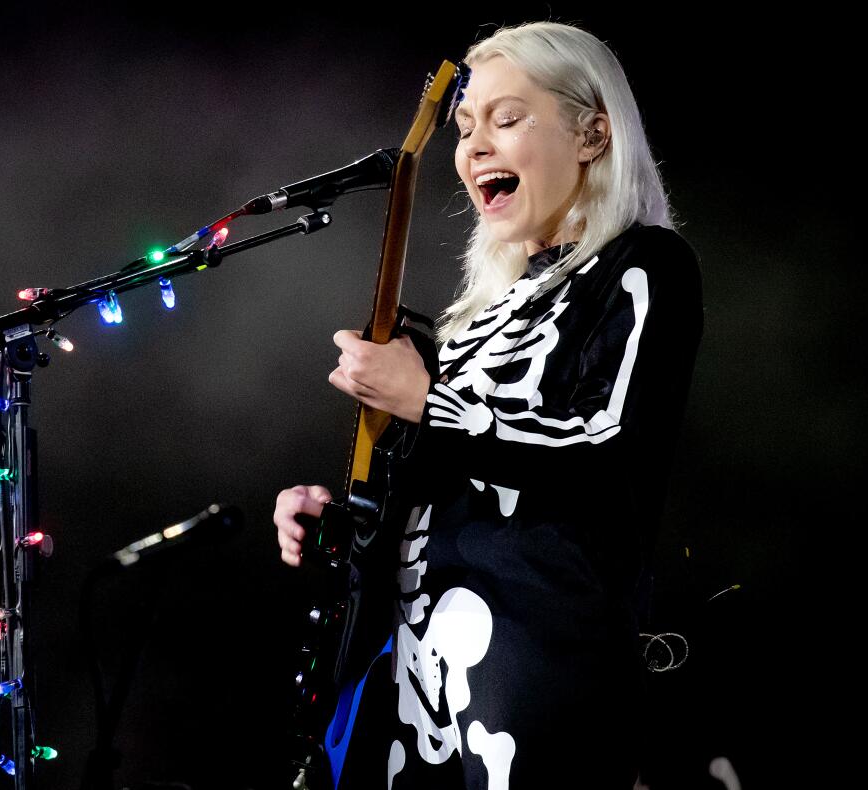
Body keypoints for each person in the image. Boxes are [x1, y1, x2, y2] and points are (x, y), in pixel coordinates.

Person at [274, 20, 703, 790]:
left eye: (506, 120)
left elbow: (606, 453)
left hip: (538, 673)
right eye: (466, 127)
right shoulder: (472, 322)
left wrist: (430, 403)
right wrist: (341, 522)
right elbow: (445, 497)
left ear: (593, 134)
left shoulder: (645, 264)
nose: (471, 147)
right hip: (406, 691)